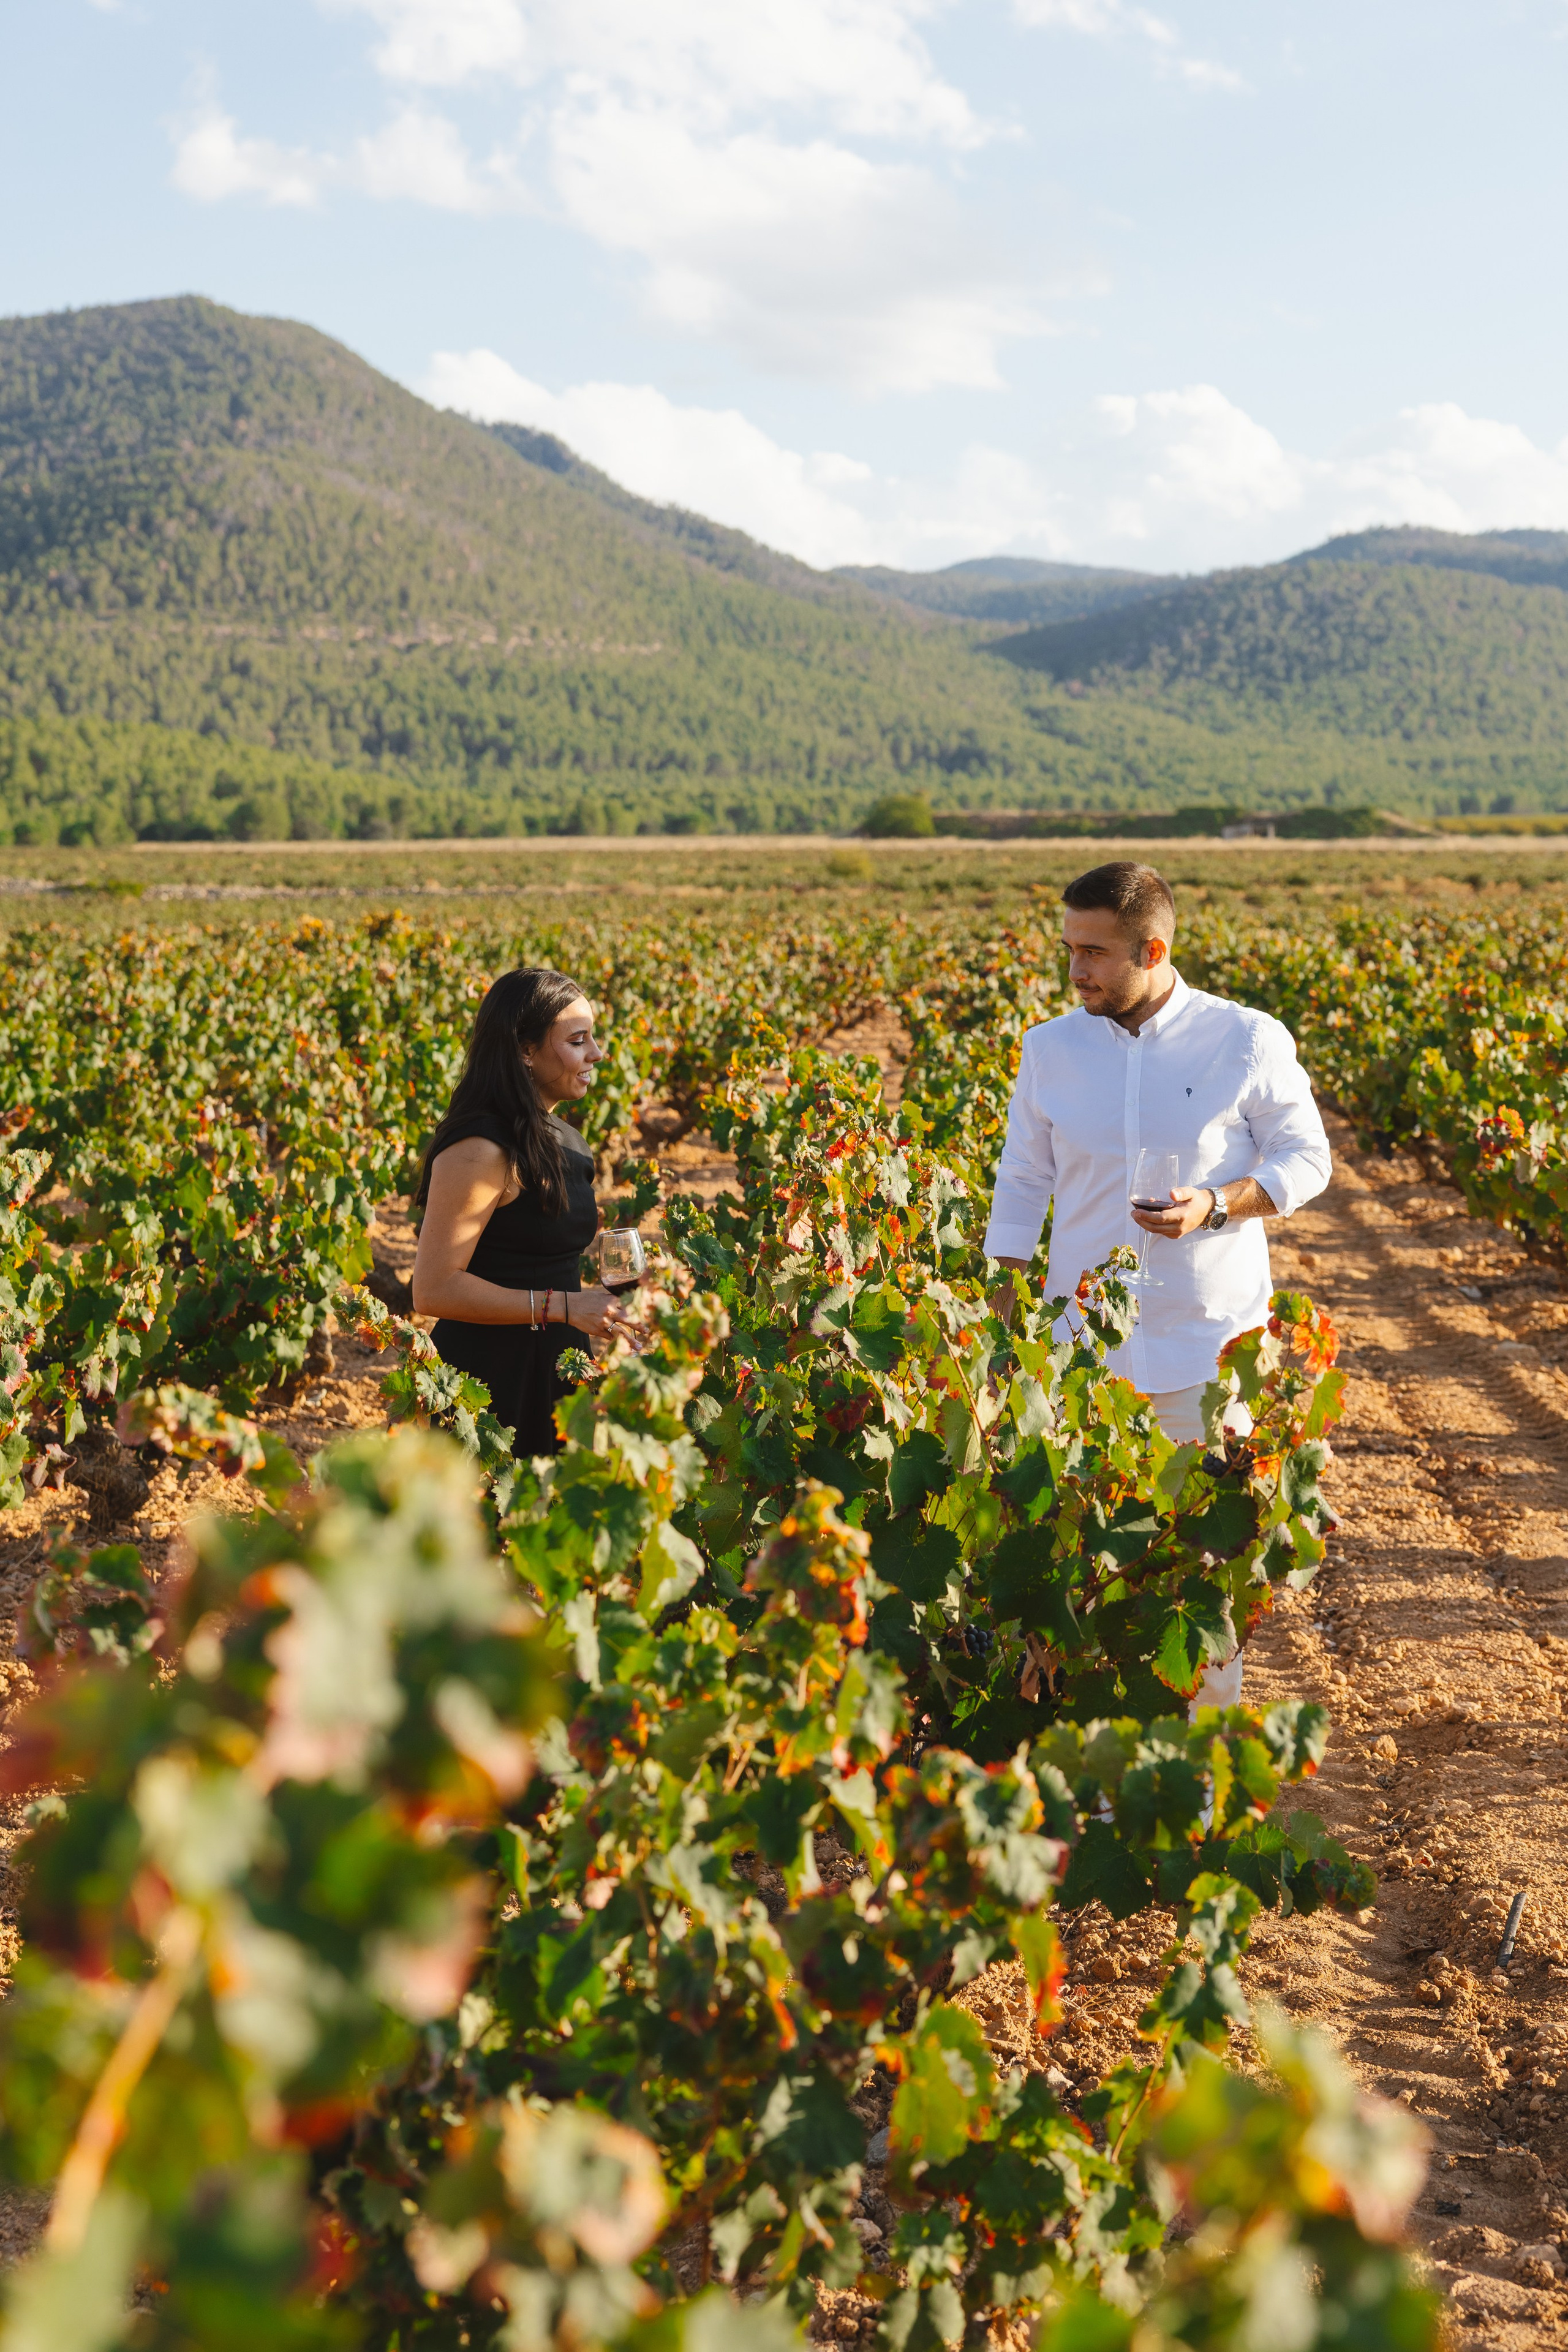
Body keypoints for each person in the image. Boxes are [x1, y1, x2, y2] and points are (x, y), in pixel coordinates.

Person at [984, 860, 1332, 1706]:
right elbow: (1023, 1181)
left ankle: (1198, 1786)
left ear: (1155, 948)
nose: (1076, 971)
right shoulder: (1049, 1048)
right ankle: (1096, 1773)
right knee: (1082, 1572)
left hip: (1205, 1353)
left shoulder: (1247, 1039)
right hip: (1079, 1354)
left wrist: (1216, 1204)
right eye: (1069, 948)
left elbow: (1308, 1161)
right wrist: (1002, 1322)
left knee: (1202, 1582)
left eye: (1096, 953)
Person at [412, 966, 634, 1458]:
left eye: (593, 1038)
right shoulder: (481, 1149)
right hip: (490, 1384)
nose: (597, 1053)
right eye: (578, 1041)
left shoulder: (565, 1140)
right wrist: (566, 1307)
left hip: (558, 1364)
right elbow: (432, 1289)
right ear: (524, 1050)